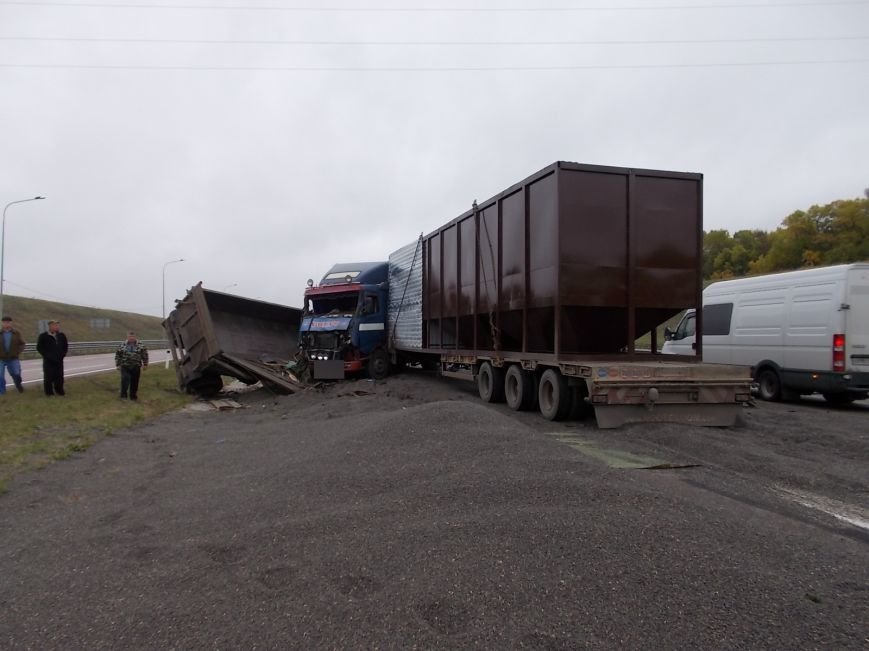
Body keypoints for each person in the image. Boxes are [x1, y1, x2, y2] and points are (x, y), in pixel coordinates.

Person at [36, 319, 69, 396]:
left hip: (59, 361)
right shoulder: (43, 336)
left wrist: (62, 355)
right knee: (48, 377)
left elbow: (65, 346)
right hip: (48, 361)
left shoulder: (61, 336)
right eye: (54, 325)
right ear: (50, 326)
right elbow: (39, 348)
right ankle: (49, 393)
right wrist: (47, 356)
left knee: (59, 377)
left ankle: (60, 391)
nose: (56, 326)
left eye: (57, 325)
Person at [115, 331, 149, 401]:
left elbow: (145, 355)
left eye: (132, 337)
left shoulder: (141, 345)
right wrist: (118, 365)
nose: (131, 338)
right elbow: (118, 355)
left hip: (136, 366)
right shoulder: (122, 345)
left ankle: (133, 396)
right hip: (125, 366)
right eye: (130, 337)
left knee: (135, 382)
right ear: (127, 337)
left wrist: (145, 364)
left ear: (135, 337)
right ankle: (123, 396)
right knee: (125, 379)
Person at [0, 315, 26, 395]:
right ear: (2, 323)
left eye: (8, 322)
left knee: (16, 374)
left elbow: (22, 343)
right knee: (0, 376)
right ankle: (2, 391)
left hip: (13, 358)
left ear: (11, 323)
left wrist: (17, 352)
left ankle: (18, 385)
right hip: (1, 358)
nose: (6, 324)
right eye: (5, 322)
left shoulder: (16, 333)